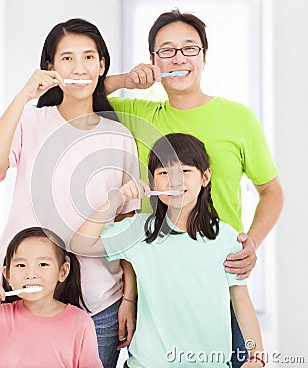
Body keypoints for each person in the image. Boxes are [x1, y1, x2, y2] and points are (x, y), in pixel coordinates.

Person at [104, 8, 283, 366]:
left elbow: (272, 191)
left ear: (204, 56)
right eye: (166, 50)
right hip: (158, 294)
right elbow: (76, 98)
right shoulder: (139, 115)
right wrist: (126, 78)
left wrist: (251, 243)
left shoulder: (239, 118)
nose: (179, 58)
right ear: (154, 59)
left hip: (222, 285)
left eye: (190, 48)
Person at [0, 18, 140, 367]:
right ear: (49, 67)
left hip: (99, 302)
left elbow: (126, 226)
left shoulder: (119, 137)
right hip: (22, 295)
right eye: (67, 58)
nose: (79, 68)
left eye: (89, 57)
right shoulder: (31, 121)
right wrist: (22, 98)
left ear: (102, 65)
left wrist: (129, 298)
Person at [71, 133, 266, 368]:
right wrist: (118, 199)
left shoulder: (225, 237)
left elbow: (242, 301)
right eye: (164, 172)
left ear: (205, 177)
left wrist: (256, 356)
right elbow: (80, 243)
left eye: (185, 171)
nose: (174, 180)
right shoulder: (138, 231)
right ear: (153, 183)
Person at [0, 227, 103, 368]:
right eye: (21, 265)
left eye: (43, 264)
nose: (30, 274)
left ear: (62, 272)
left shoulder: (79, 322)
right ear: (8, 275)